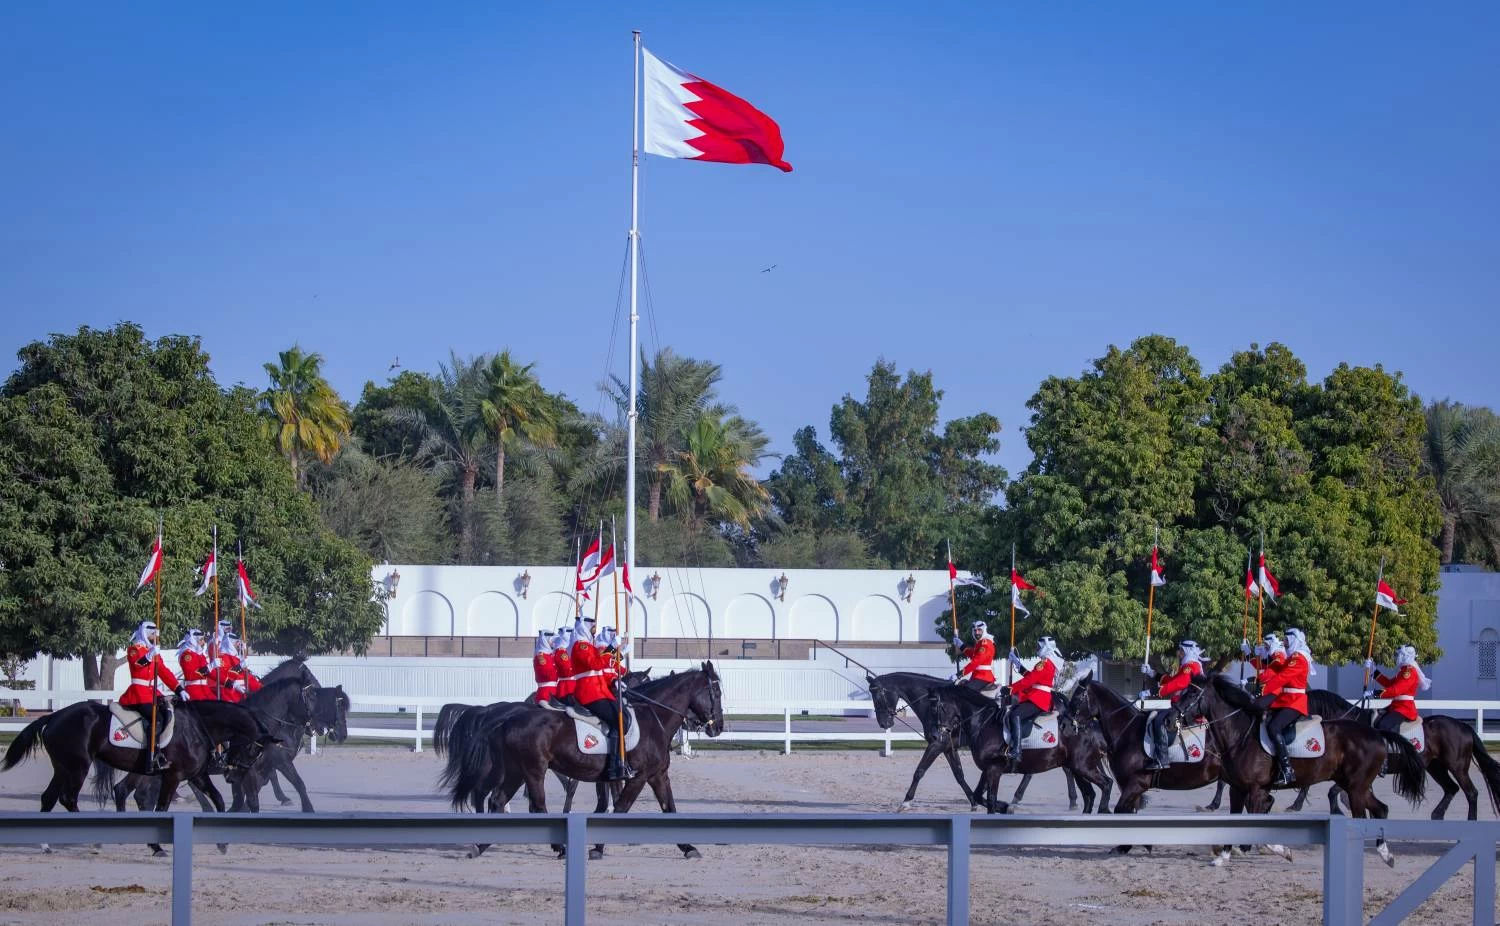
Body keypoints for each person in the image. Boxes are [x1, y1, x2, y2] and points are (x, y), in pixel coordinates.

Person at [569, 619, 635, 780]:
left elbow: (606, 664)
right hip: (589, 693)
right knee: (619, 721)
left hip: (600, 691)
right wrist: (613, 648)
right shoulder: (580, 646)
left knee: (624, 718)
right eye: (591, 626)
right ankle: (614, 767)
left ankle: (621, 761)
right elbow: (597, 664)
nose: (593, 629)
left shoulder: (589, 646)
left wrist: (617, 652)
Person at [118, 621, 184, 770]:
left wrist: (179, 689)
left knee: (168, 713)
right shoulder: (135, 649)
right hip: (138, 692)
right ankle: (151, 758)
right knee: (156, 718)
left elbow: (164, 672)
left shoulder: (153, 651)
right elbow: (137, 664)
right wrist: (149, 655)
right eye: (152, 633)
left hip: (150, 692)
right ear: (145, 633)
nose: (155, 636)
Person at [1258, 627, 1314, 786]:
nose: (1284, 642)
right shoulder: (1291, 657)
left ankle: (1287, 770)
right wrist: (1257, 657)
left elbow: (1283, 676)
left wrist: (1264, 689)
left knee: (1274, 728)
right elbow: (1275, 669)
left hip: (1295, 702)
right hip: (1285, 700)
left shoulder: (1299, 658)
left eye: (1287, 640)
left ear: (1295, 640)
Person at [1140, 640, 1205, 770]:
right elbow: (1173, 680)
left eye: (1180, 650)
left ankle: (1162, 759)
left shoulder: (1191, 666)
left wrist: (1153, 691)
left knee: (1160, 720)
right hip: (1182, 703)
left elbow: (1179, 683)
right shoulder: (1187, 666)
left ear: (1187, 651)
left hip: (1188, 705)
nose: (1178, 653)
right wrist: (1152, 673)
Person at [1004, 636, 1063, 764]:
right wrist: (1018, 664)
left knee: (1015, 714)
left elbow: (1029, 681)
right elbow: (1032, 676)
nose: (1037, 649)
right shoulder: (1048, 663)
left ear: (1045, 647)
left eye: (1039, 647)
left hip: (1038, 699)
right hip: (1037, 696)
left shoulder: (1045, 663)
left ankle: (1017, 749)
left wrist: (1010, 689)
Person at [1365, 644, 1430, 734]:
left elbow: (1395, 691)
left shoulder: (1409, 672)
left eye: (1400, 655)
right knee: (1371, 717)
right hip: (1396, 706)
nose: (1398, 657)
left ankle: (1395, 747)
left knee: (1385, 725)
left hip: (1405, 709)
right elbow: (1389, 684)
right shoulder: (1403, 671)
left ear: (1406, 656)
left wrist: (1375, 693)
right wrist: (1374, 671)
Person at [954, 620, 997, 691]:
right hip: (977, 676)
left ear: (984, 630)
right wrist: (960, 644)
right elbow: (972, 653)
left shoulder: (986, 643)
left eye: (979, 630)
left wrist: (959, 674)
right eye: (975, 630)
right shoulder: (980, 643)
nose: (977, 633)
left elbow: (976, 661)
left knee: (965, 692)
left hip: (983, 677)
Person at [176, 628, 212, 701]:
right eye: (201, 640)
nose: (204, 642)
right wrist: (209, 667)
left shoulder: (200, 655)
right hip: (194, 690)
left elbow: (210, 673)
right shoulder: (187, 655)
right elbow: (190, 675)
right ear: (193, 641)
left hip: (205, 689)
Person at [552, 626, 578, 709]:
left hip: (572, 685)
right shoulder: (561, 652)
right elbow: (567, 670)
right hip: (567, 687)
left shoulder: (568, 651)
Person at [533, 630, 559, 705]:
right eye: (551, 640)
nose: (553, 643)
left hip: (554, 691)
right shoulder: (541, 656)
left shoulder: (550, 655)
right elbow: (548, 675)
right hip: (546, 693)